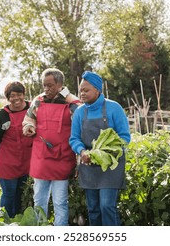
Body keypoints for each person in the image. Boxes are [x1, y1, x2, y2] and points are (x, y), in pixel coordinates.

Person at [69, 71, 131, 226]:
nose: (82, 93)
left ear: (97, 90)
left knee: (106, 206)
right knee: (94, 209)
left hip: (110, 166)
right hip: (88, 165)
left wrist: (105, 153)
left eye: (86, 90)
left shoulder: (114, 108)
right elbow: (74, 138)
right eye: (81, 90)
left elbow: (124, 137)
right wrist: (82, 152)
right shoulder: (79, 112)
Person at [22, 68, 80, 226]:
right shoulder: (39, 100)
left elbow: (81, 125)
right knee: (39, 199)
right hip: (41, 157)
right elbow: (29, 119)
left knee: (60, 200)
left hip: (62, 157)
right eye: (44, 85)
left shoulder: (72, 103)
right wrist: (28, 127)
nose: (46, 89)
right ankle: (41, 230)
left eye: (50, 86)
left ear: (60, 84)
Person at [0, 81, 33, 218]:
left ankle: (19, 221)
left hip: (26, 161)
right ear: (8, 98)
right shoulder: (2, 116)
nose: (16, 99)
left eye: (19, 95)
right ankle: (5, 221)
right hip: (7, 162)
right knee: (9, 194)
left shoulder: (33, 109)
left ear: (24, 95)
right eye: (12, 95)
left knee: (21, 193)